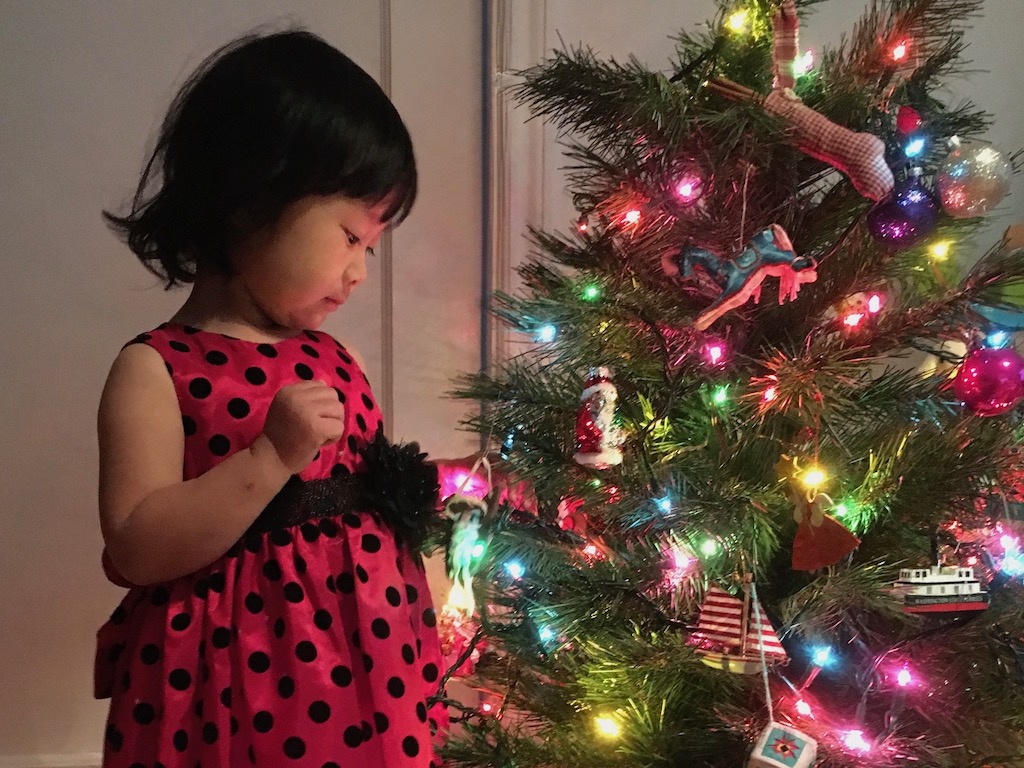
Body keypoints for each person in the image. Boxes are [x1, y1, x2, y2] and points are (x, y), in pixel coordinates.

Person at [94, 29, 446, 767]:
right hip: (224, 679)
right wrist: (269, 456)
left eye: (372, 246)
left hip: (363, 669)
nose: (359, 272)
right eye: (350, 235)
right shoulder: (156, 369)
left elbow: (372, 493)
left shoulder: (332, 360)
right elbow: (135, 543)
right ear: (250, 197)